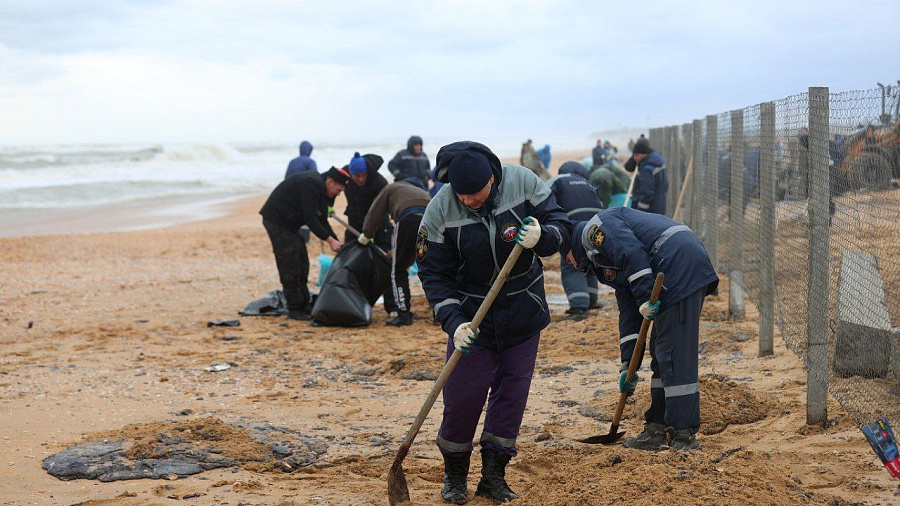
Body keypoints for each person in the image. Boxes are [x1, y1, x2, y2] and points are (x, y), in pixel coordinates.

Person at [418, 141, 571, 504]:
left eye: (476, 194)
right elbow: (433, 273)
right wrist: (454, 321)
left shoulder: (523, 182)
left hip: (523, 310)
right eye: (462, 195)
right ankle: (454, 476)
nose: (469, 200)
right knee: (463, 397)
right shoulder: (439, 208)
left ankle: (493, 476)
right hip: (473, 318)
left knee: (511, 396)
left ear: (493, 178)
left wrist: (543, 237)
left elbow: (561, 224)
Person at [568, 207, 718, 451]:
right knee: (662, 354)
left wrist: (646, 296)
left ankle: (683, 435)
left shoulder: (598, 229)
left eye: (568, 258)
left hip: (677, 264)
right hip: (673, 266)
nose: (571, 264)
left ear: (572, 248)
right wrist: (628, 365)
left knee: (674, 354)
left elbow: (633, 254)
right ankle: (656, 427)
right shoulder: (604, 260)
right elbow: (628, 310)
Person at [260, 168, 350, 320]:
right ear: (330, 181)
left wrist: (335, 241)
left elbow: (322, 220)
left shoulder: (326, 190)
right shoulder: (311, 184)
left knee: (302, 261)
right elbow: (311, 219)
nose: (338, 194)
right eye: (338, 190)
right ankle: (294, 307)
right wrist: (330, 240)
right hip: (276, 220)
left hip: (291, 223)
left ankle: (304, 304)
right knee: (289, 262)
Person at [358, 178, 431, 326]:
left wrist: (366, 235)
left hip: (407, 219)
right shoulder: (423, 192)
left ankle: (404, 314)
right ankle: (439, 313)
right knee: (430, 268)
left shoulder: (391, 188)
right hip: (429, 222)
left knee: (398, 270)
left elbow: (375, 212)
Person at [547, 161, 605, 320]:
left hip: (573, 224)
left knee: (572, 263)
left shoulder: (558, 179)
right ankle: (592, 299)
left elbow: (543, 197)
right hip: (597, 223)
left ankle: (579, 306)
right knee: (591, 259)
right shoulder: (587, 183)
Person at [344, 151, 397, 315]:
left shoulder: (379, 182)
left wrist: (369, 233)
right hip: (354, 226)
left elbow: (380, 211)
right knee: (351, 262)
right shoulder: (345, 177)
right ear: (351, 174)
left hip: (380, 227)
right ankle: (355, 303)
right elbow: (328, 182)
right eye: (356, 176)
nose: (360, 179)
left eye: (363, 175)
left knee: (387, 263)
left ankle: (393, 307)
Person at [626, 138, 668, 214]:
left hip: (650, 210)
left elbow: (647, 194)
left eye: (637, 155)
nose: (634, 158)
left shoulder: (647, 169)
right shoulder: (657, 159)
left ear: (644, 154)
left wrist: (639, 212)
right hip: (660, 205)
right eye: (634, 155)